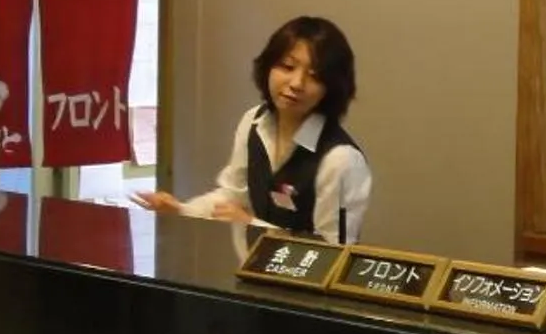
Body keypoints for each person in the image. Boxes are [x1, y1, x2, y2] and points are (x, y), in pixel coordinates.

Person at [136, 16, 371, 242]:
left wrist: (251, 225)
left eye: (314, 76)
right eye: (288, 66)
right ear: (268, 66)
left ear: (331, 88)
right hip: (251, 266)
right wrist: (181, 211)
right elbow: (232, 196)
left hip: (300, 271)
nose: (296, 83)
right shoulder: (253, 122)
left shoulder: (341, 159)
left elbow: (334, 250)